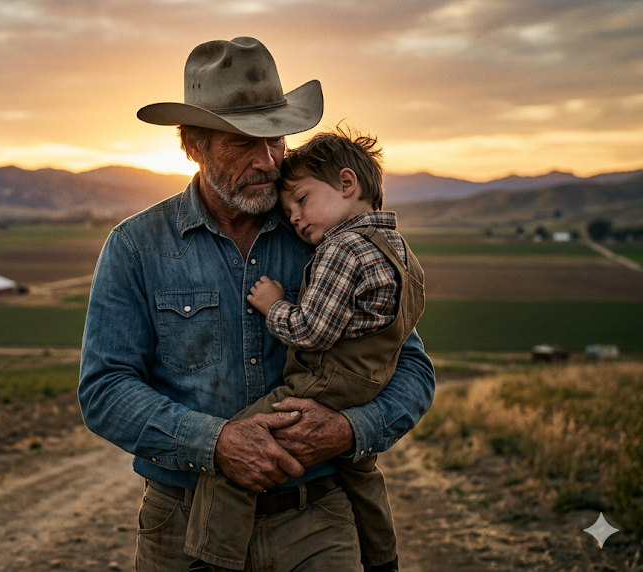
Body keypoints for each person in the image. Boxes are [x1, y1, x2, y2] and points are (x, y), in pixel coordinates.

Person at [78, 36, 435, 572]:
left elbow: (408, 365)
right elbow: (105, 390)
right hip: (184, 524)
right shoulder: (136, 247)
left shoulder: (327, 236)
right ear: (193, 144)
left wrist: (350, 430)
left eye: (276, 139)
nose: (267, 161)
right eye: (241, 143)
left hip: (316, 518)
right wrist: (215, 442)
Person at [184, 127, 425, 571]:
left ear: (347, 184)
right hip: (369, 383)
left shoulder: (341, 250)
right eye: (288, 209)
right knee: (362, 473)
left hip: (324, 382)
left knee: (235, 446)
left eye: (301, 201)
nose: (294, 218)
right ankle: (382, 559)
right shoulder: (399, 250)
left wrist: (274, 304)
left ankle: (212, 561)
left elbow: (311, 331)